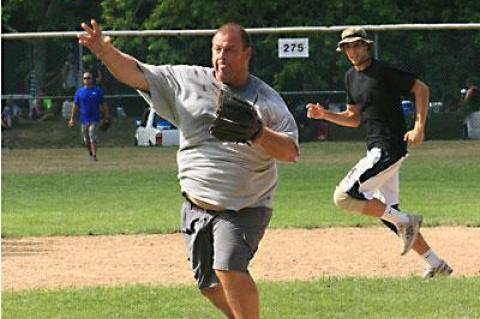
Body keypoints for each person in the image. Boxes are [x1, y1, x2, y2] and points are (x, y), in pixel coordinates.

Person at [78, 19, 298, 318]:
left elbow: (290, 151)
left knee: (228, 268)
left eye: (230, 50)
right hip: (195, 205)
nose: (222, 56)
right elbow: (136, 73)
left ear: (247, 54)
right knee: (208, 284)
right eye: (217, 49)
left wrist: (258, 132)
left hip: (244, 206)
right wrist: (105, 52)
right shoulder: (187, 81)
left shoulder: (267, 101)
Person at [306, 27, 452, 278]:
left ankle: (407, 220)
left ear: (366, 46)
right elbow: (353, 119)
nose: (351, 51)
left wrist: (419, 127)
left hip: (388, 148)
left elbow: (421, 89)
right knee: (390, 215)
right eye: (346, 47)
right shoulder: (350, 77)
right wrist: (324, 115)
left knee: (344, 196)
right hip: (376, 147)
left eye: (356, 45)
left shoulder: (383, 71)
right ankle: (435, 263)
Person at [69, 71, 108, 161]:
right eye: (85, 78)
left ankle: (94, 155)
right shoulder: (80, 92)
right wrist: (72, 119)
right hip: (84, 119)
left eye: (88, 78)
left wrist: (106, 115)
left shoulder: (97, 91)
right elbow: (75, 106)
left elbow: (103, 104)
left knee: (92, 134)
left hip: (95, 118)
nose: (86, 80)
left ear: (92, 79)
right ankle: (91, 153)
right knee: (86, 140)